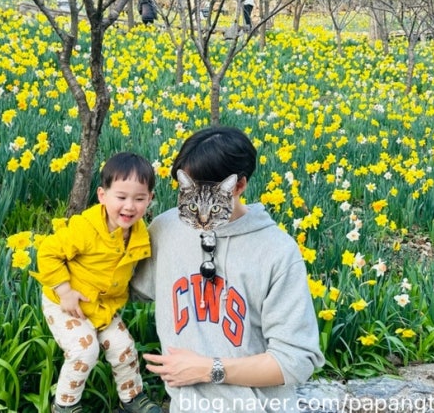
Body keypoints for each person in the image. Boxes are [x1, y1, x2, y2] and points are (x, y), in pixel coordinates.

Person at [132, 126, 324, 413]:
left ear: (238, 186)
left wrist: (209, 369)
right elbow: (125, 289)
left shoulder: (277, 251)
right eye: (187, 189)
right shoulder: (166, 229)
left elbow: (296, 360)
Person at [35, 152, 163, 413]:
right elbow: (47, 252)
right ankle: (65, 406)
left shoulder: (140, 235)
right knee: (85, 350)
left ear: (150, 199)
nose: (129, 206)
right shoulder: (86, 229)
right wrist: (65, 291)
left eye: (139, 199)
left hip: (102, 306)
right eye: (121, 197)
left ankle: (132, 399)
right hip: (66, 303)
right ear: (102, 195)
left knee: (124, 347)